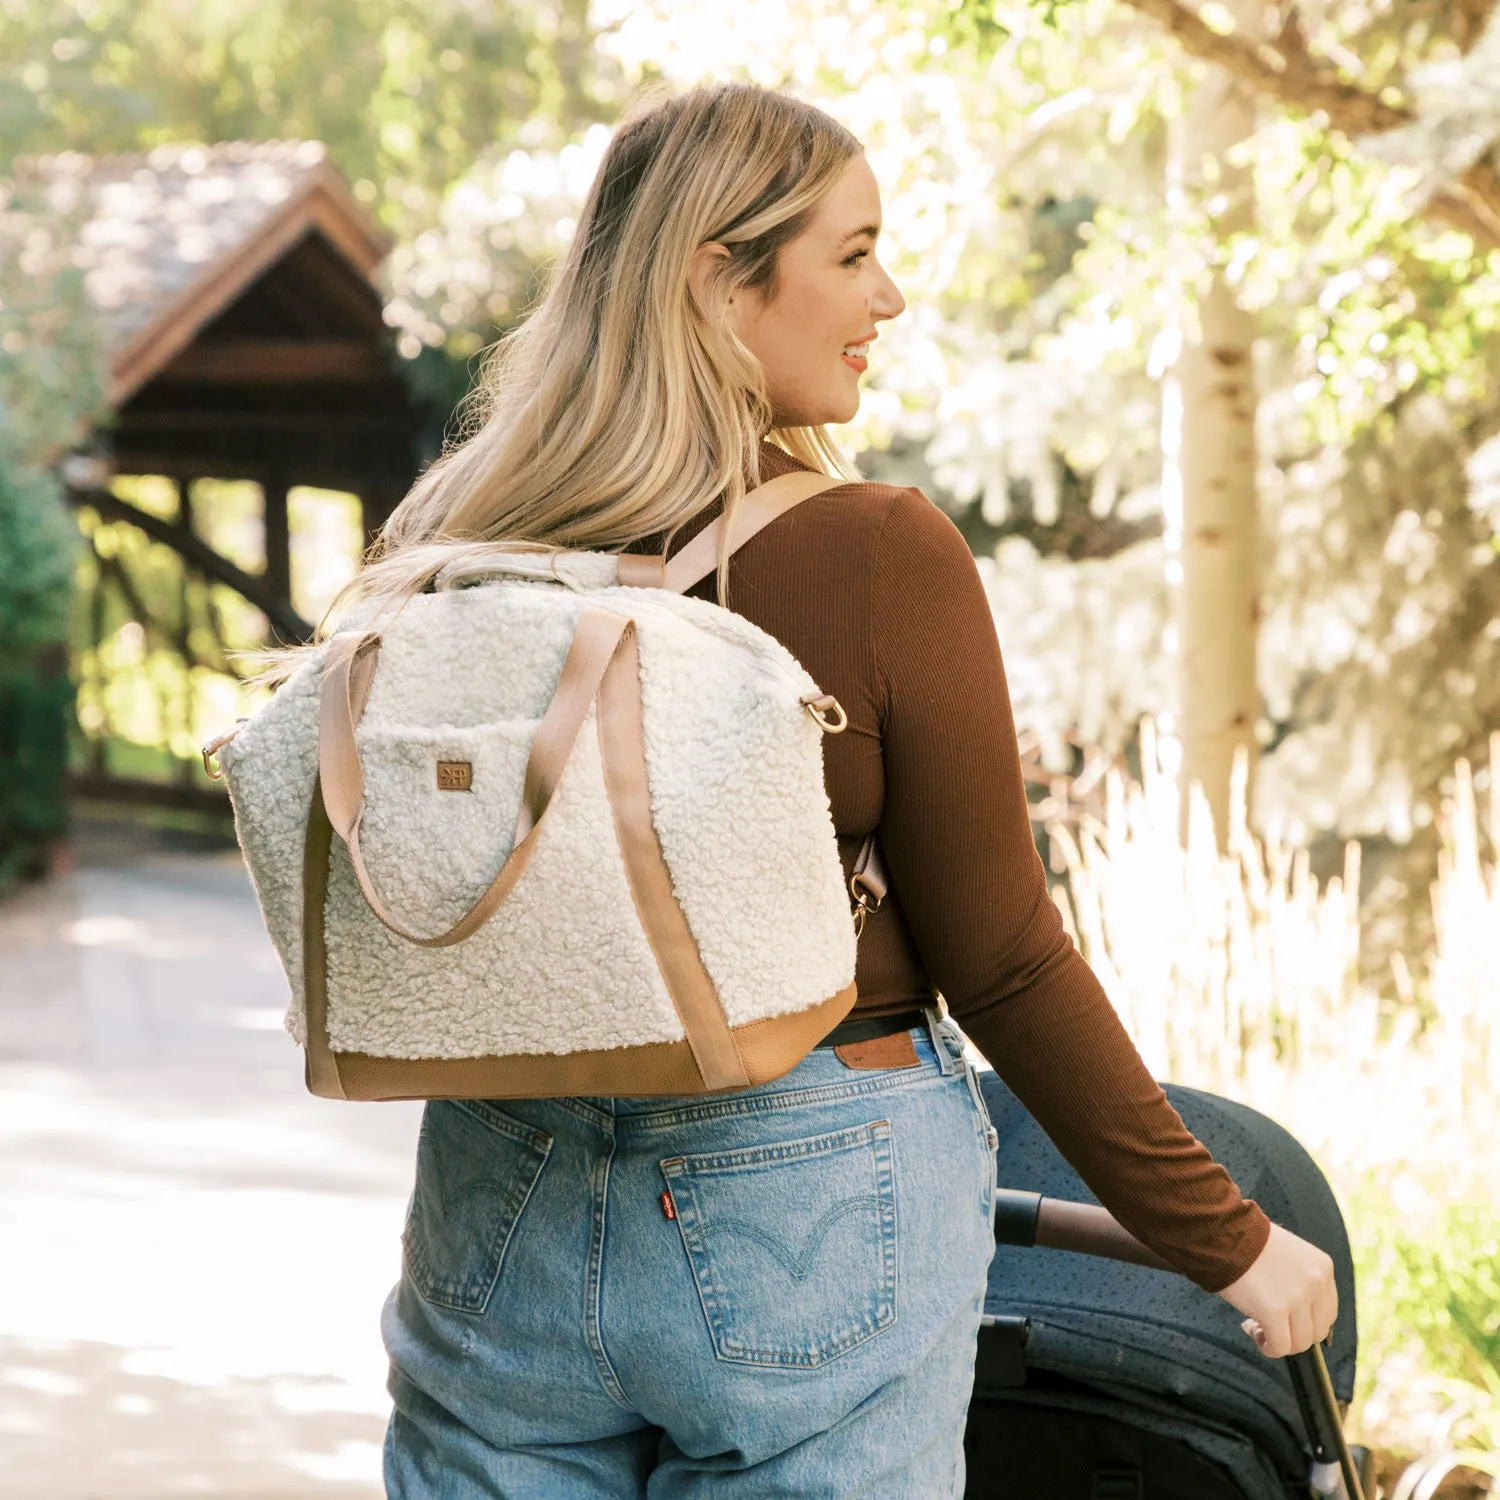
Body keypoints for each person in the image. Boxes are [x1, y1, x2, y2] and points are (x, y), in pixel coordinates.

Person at [347, 82, 1339, 1497]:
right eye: (854, 252)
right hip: (811, 1194)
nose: (895, 293)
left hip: (501, 1189)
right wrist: (1228, 1236)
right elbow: (1001, 956)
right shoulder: (876, 551)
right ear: (717, 278)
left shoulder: (448, 543)